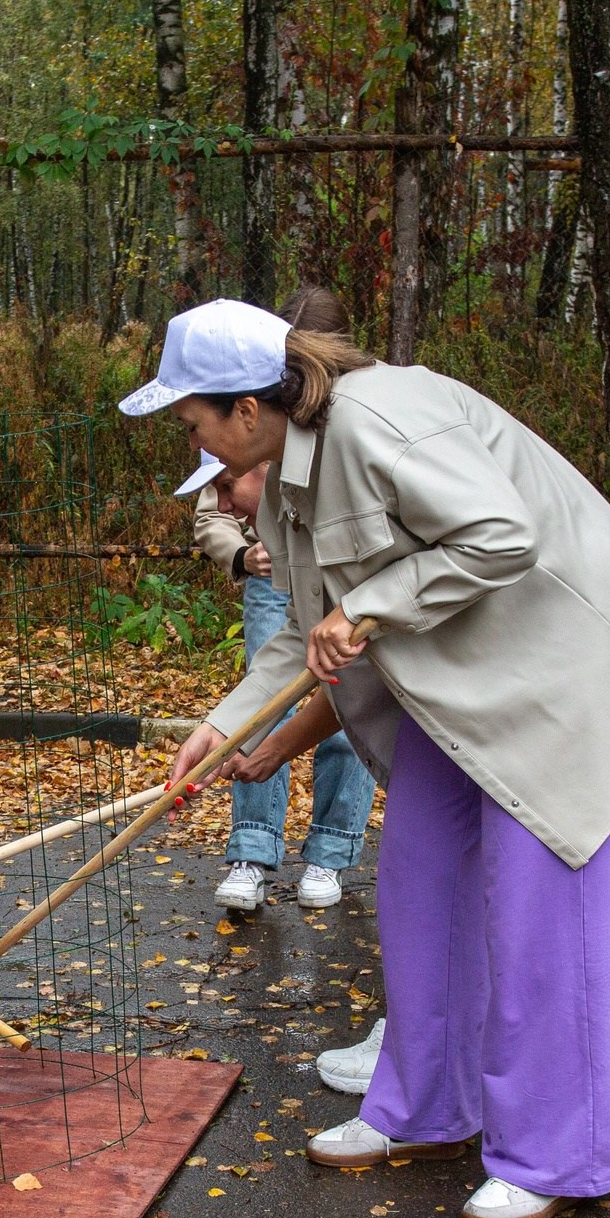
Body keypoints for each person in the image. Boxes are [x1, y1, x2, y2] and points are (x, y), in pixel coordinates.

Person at [135, 298, 610, 1218]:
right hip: (452, 687)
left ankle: (561, 1154)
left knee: (540, 918)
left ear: (245, 406)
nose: (186, 435)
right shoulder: (282, 476)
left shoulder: (377, 418)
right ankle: (425, 1109)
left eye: (190, 415)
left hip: (548, 672)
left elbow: (501, 533)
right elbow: (302, 627)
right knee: (419, 885)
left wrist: (370, 606)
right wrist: (224, 724)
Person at [187, 285, 377, 914]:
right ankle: (253, 848)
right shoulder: (255, 466)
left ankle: (330, 850)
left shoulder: (359, 447)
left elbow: (362, 678)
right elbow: (300, 642)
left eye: (196, 429)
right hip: (299, 600)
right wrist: (226, 730)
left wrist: (352, 610)